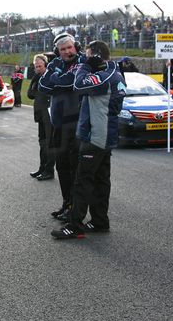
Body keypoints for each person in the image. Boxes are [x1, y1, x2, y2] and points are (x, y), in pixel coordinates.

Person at [51, 41, 126, 239]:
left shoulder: (104, 76)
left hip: (96, 136)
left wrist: (85, 66)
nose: (85, 58)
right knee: (101, 180)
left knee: (82, 181)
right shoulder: (114, 72)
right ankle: (100, 220)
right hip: (103, 134)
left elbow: (78, 85)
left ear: (97, 57)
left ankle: (75, 226)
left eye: (89, 55)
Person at [39, 32, 88, 221]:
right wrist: (60, 80)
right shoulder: (54, 64)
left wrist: (57, 80)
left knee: (76, 168)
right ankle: (67, 204)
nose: (68, 52)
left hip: (76, 122)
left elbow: (71, 82)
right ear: (57, 52)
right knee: (62, 166)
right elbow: (43, 86)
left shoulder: (83, 61)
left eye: (70, 47)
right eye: (63, 49)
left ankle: (76, 208)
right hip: (58, 122)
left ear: (76, 46)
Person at [27, 54, 55, 181]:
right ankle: (42, 167)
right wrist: (35, 79)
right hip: (39, 113)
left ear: (46, 65)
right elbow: (30, 94)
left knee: (50, 143)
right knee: (42, 142)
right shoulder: (37, 77)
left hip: (49, 114)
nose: (38, 69)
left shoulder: (51, 76)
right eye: (36, 67)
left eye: (40, 66)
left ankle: (49, 170)